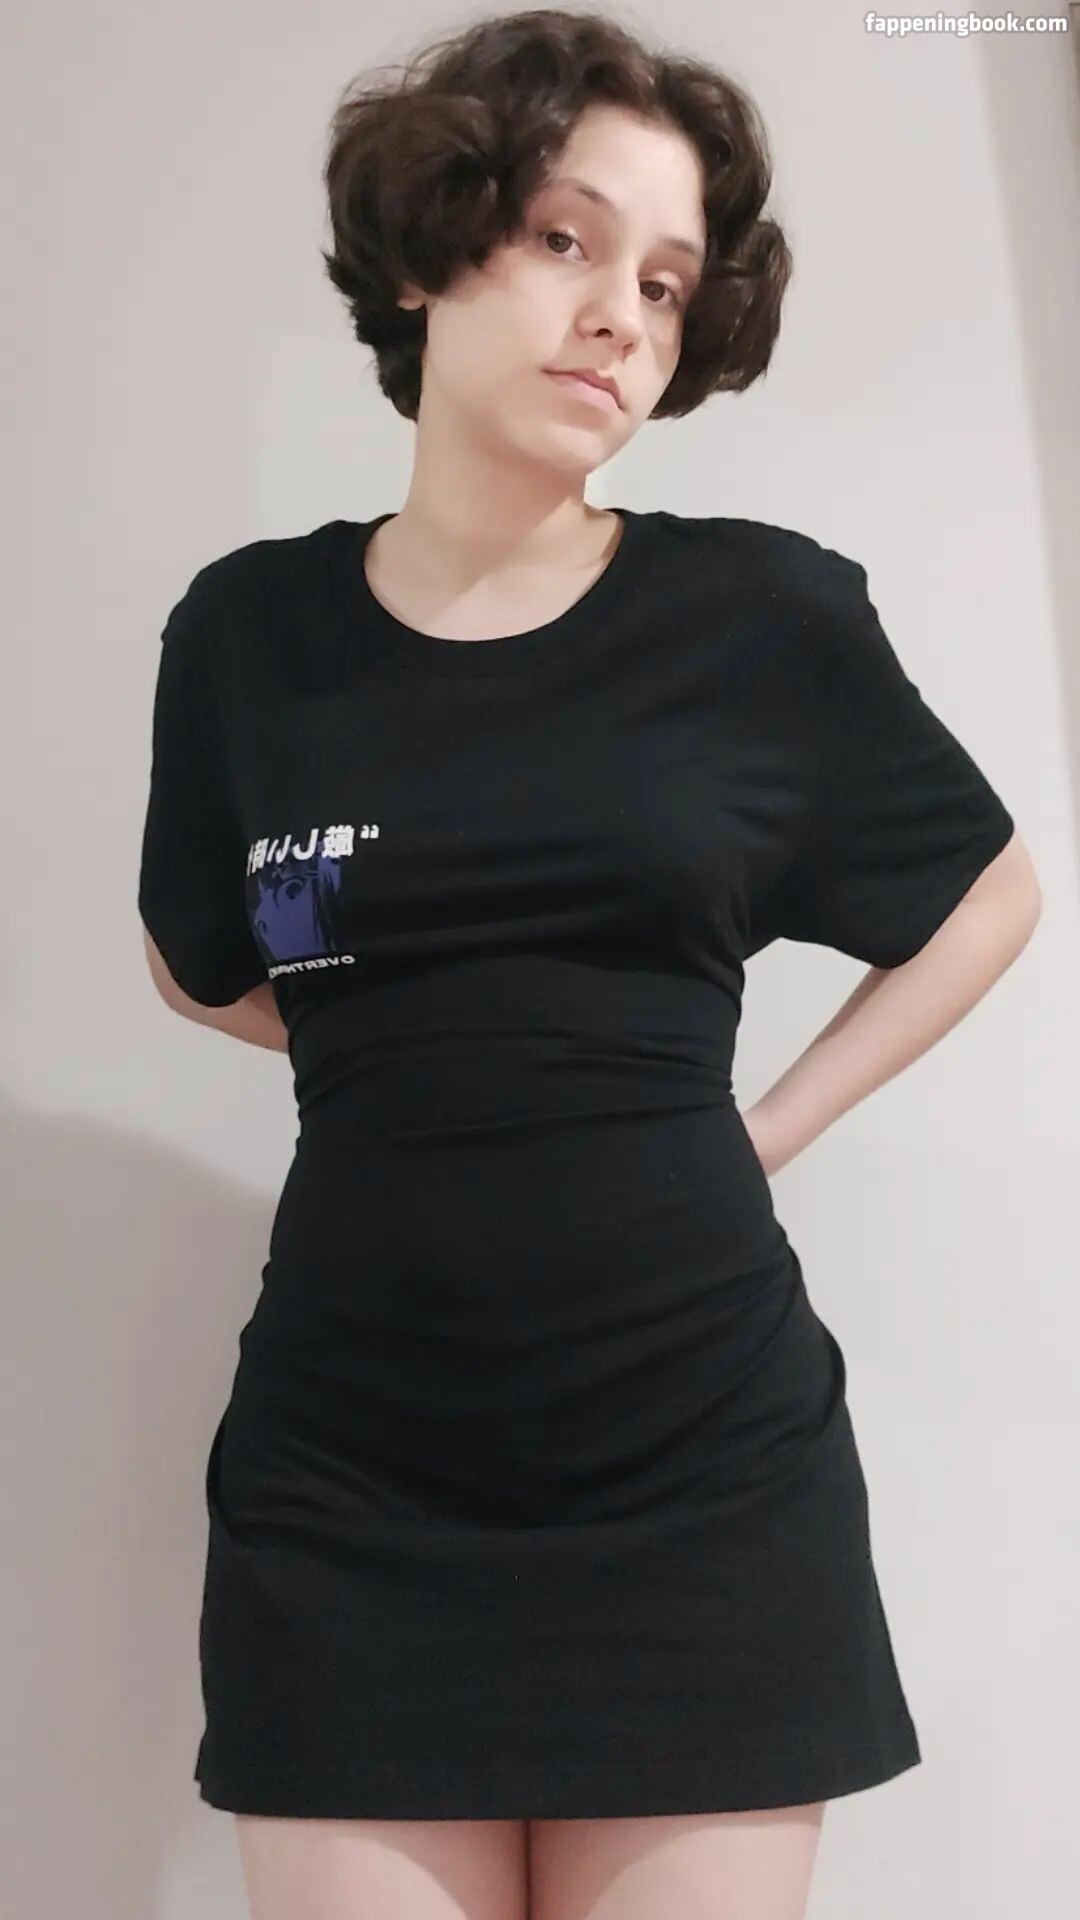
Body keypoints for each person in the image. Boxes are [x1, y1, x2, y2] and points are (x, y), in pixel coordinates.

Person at [136, 9, 1040, 1918]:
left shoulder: (758, 618)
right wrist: (401, 1057)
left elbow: (988, 896)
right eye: (565, 238)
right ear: (424, 251)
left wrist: (757, 1131)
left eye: (665, 281)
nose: (620, 315)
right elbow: (195, 951)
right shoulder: (247, 639)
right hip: (348, 1494)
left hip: (702, 1483)